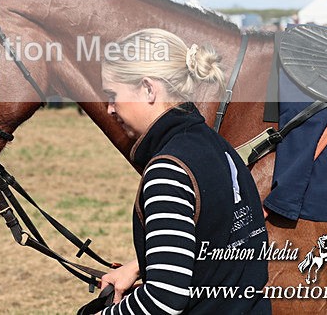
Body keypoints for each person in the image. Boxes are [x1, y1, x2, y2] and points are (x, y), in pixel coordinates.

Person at [96, 29, 269, 314]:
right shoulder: (218, 146)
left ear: (149, 89)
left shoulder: (168, 170)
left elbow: (164, 301)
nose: (110, 108)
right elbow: (216, 238)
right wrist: (141, 266)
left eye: (113, 95)